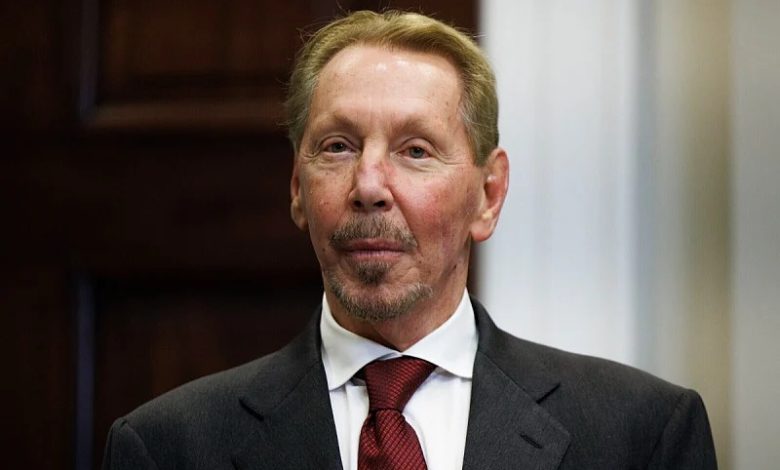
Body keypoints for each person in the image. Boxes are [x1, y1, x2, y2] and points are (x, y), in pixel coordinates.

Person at [101, 10, 717, 470]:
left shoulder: (640, 433)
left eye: (416, 150)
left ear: (489, 195)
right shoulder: (168, 447)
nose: (369, 185)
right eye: (337, 146)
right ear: (297, 189)